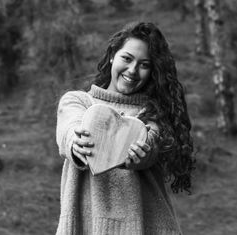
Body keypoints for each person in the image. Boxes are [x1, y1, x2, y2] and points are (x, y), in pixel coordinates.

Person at [55, 22, 194, 235]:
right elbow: (69, 129)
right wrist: (76, 143)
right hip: (84, 226)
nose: (133, 70)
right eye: (127, 58)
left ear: (152, 71)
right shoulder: (77, 102)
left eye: (144, 64)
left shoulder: (152, 114)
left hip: (147, 227)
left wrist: (142, 155)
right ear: (112, 55)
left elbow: (150, 143)